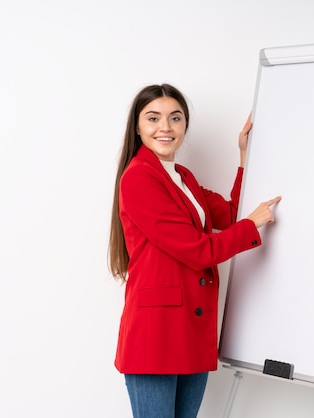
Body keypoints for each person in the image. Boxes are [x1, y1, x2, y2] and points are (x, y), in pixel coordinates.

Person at [108, 83, 281, 418]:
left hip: (191, 330)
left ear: (184, 126)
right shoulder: (138, 179)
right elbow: (198, 251)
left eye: (175, 118)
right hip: (156, 336)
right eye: (153, 118)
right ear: (137, 126)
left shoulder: (181, 176)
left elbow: (230, 215)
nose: (165, 127)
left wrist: (245, 156)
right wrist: (252, 224)